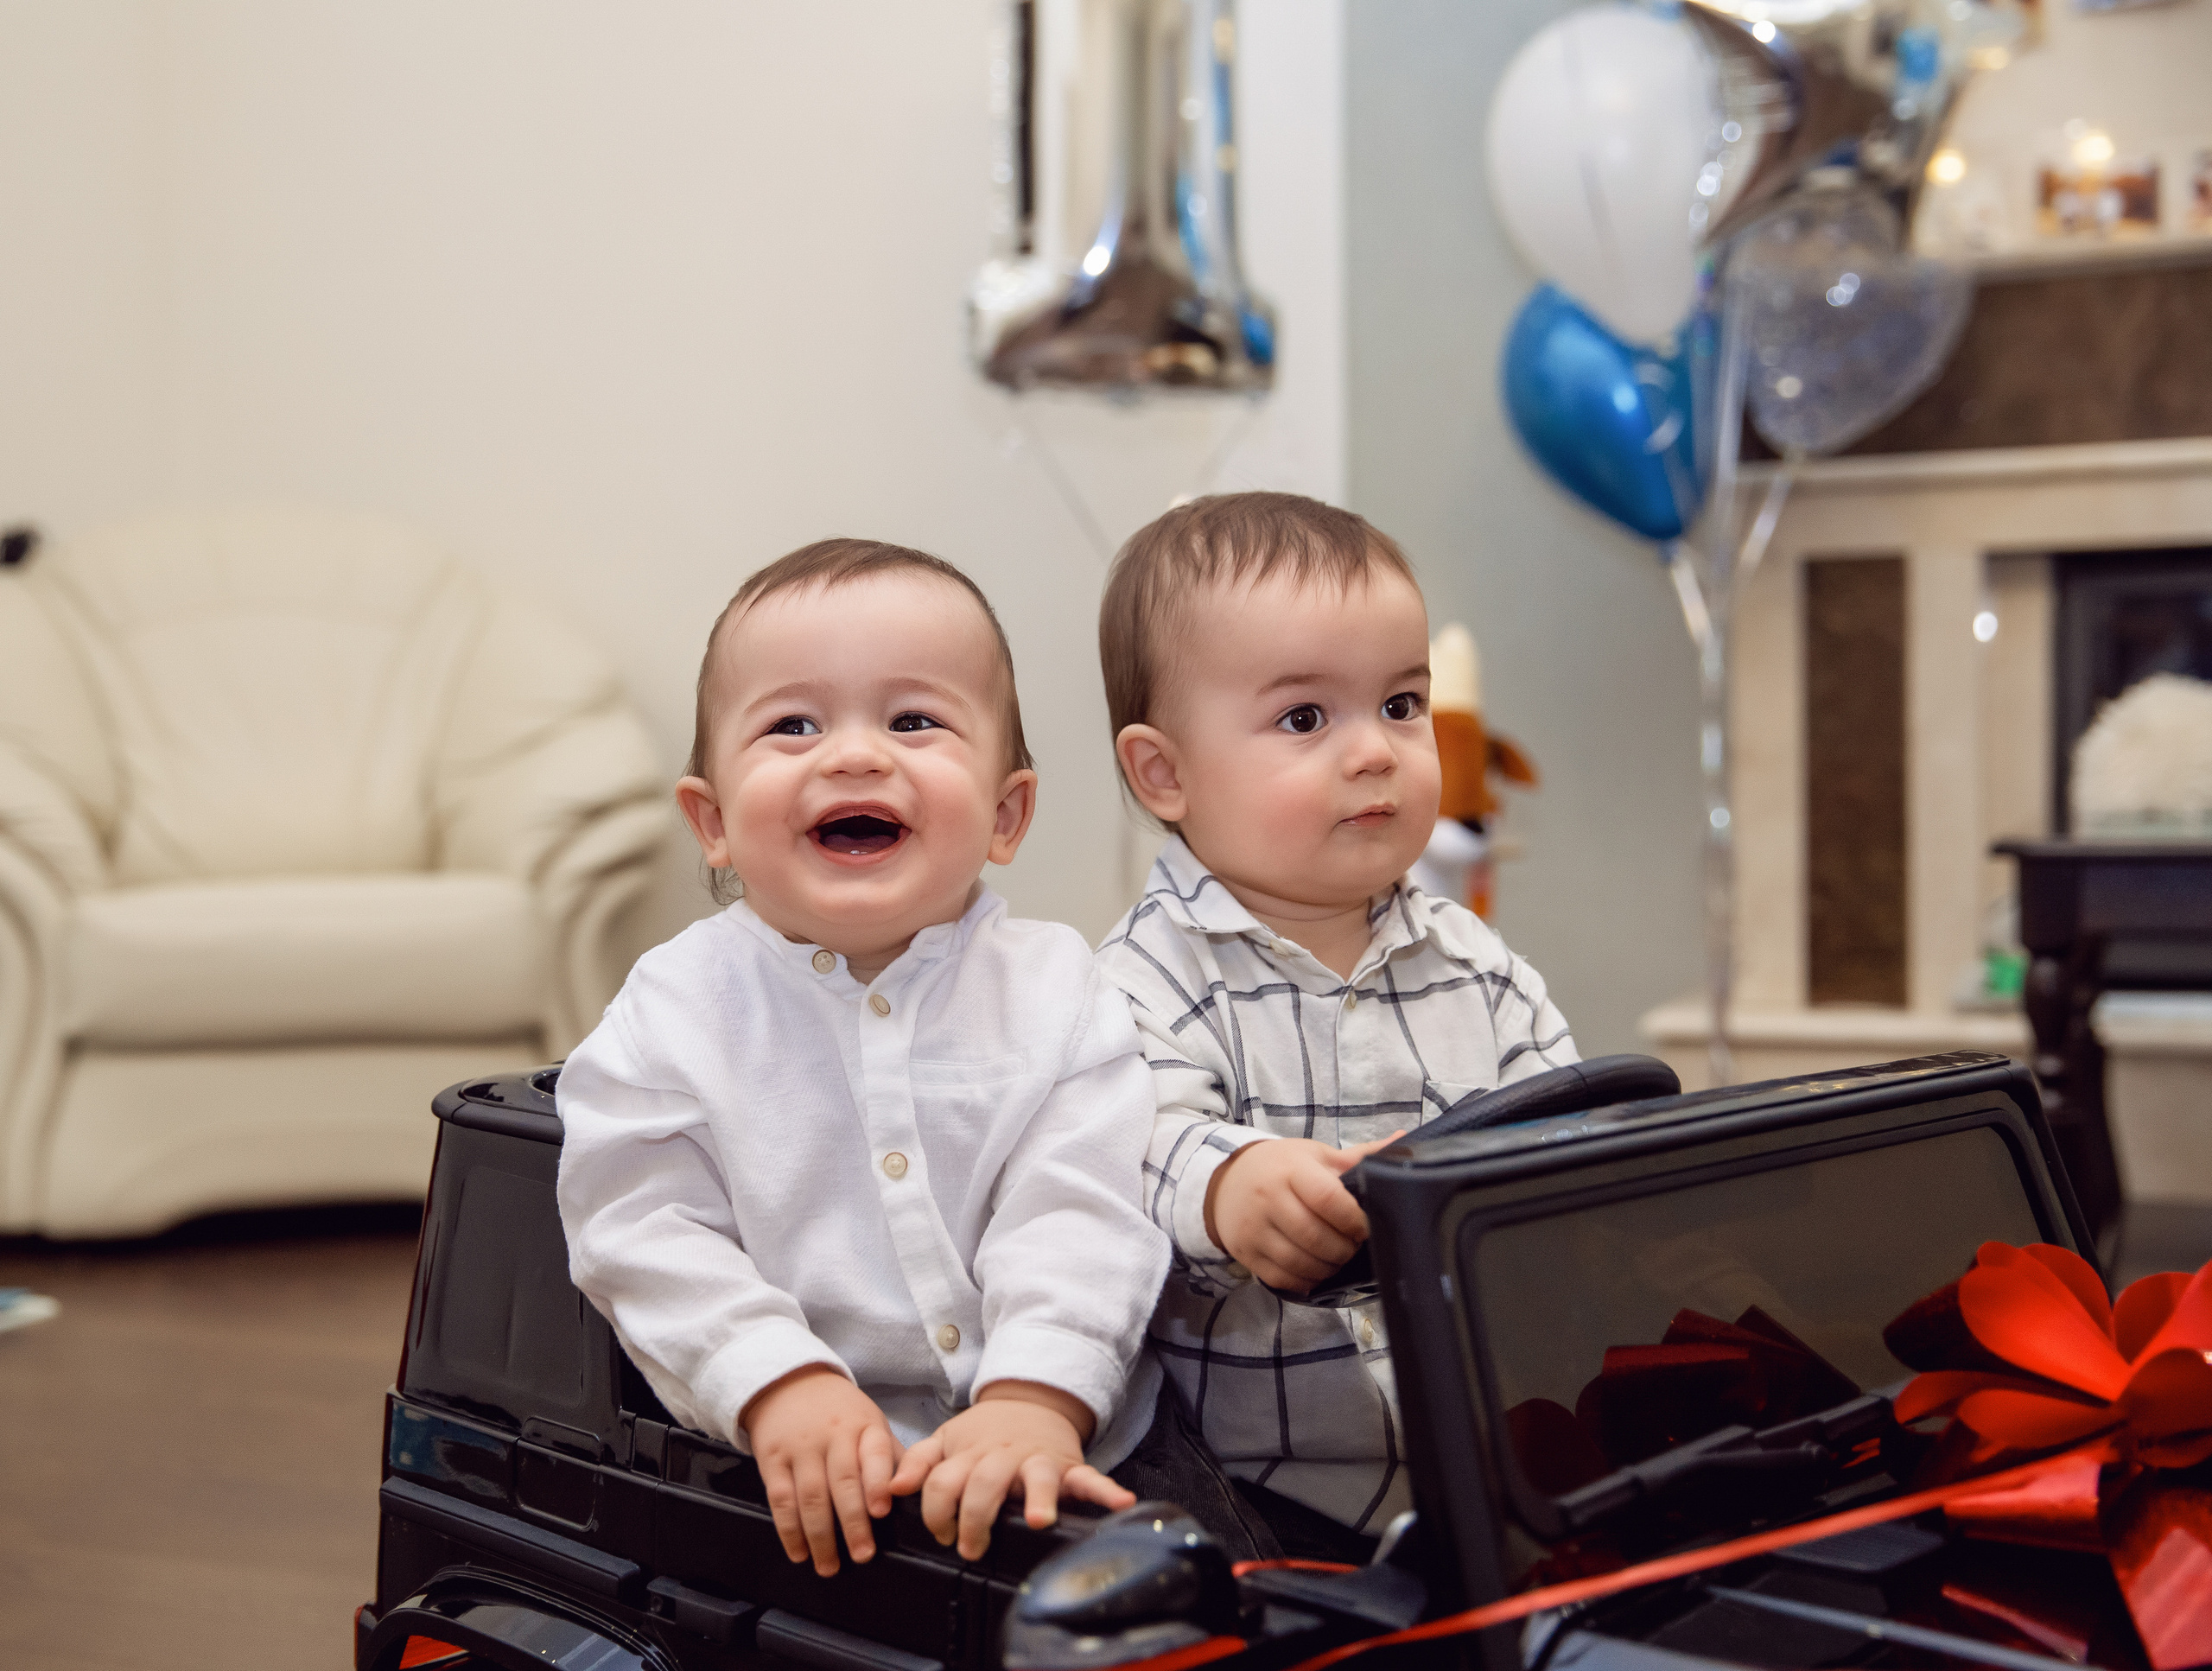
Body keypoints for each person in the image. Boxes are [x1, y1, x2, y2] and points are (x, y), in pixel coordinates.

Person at [557, 539, 1168, 1579]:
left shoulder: (1060, 992)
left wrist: (1036, 1394)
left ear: (1005, 812)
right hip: (783, 1467)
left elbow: (1086, 1206)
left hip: (1069, 1445)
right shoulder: (671, 1010)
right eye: (792, 724)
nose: (852, 755)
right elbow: (639, 1226)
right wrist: (774, 1377)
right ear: (710, 820)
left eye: (913, 720)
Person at [1094, 492, 1577, 1559]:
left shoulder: (1476, 963)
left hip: (1489, 1455)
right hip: (1259, 1496)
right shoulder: (1142, 979)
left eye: (1401, 704)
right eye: (1306, 718)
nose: (1376, 752)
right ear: (1163, 772)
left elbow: (1562, 1119)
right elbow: (1134, 1143)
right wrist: (1229, 1185)